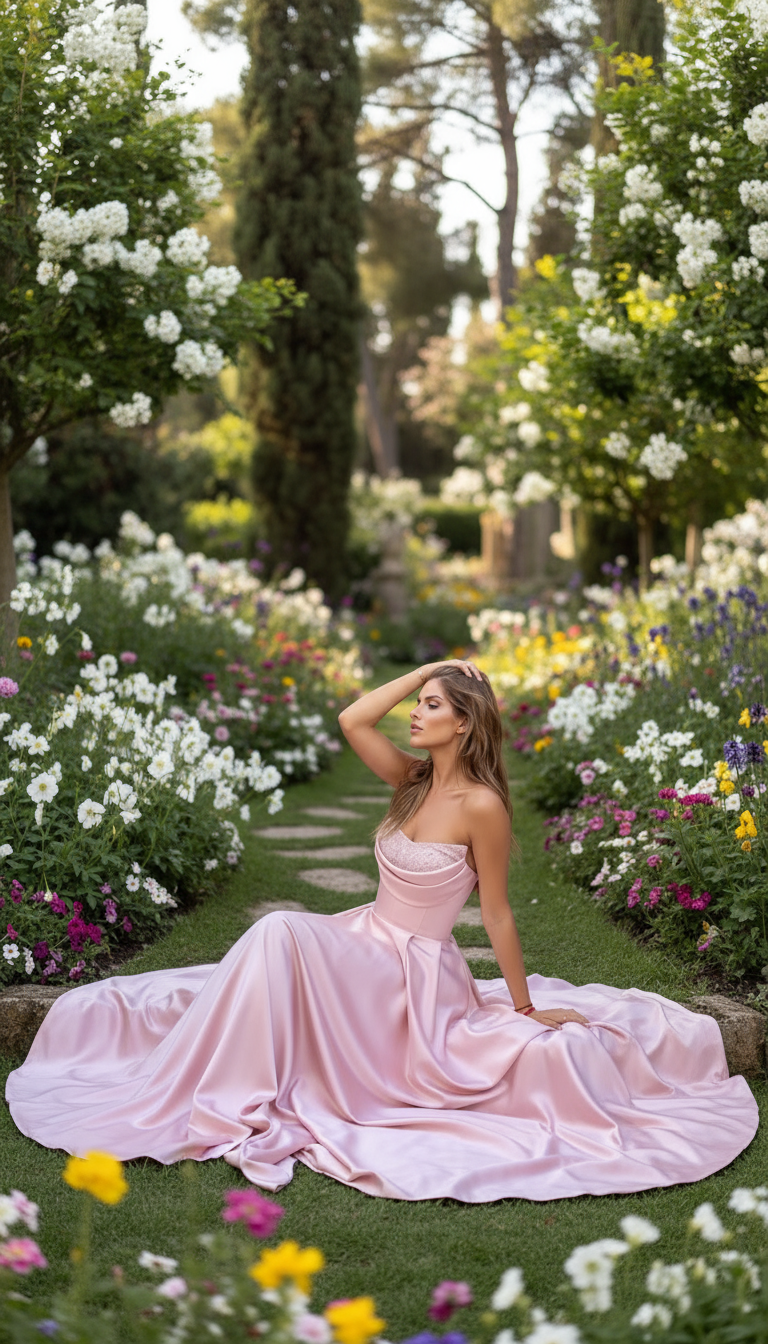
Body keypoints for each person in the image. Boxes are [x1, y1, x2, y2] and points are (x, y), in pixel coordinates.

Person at [6, 661, 758, 1203]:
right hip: (363, 937)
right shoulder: (412, 780)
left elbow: (495, 912)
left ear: (463, 722)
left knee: (279, 935)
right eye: (420, 702)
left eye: (432, 705)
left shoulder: (481, 808)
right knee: (280, 938)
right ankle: (221, 1079)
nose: (416, 713)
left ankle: (239, 1084)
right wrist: (429, 666)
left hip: (414, 973)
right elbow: (351, 719)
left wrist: (523, 1007)